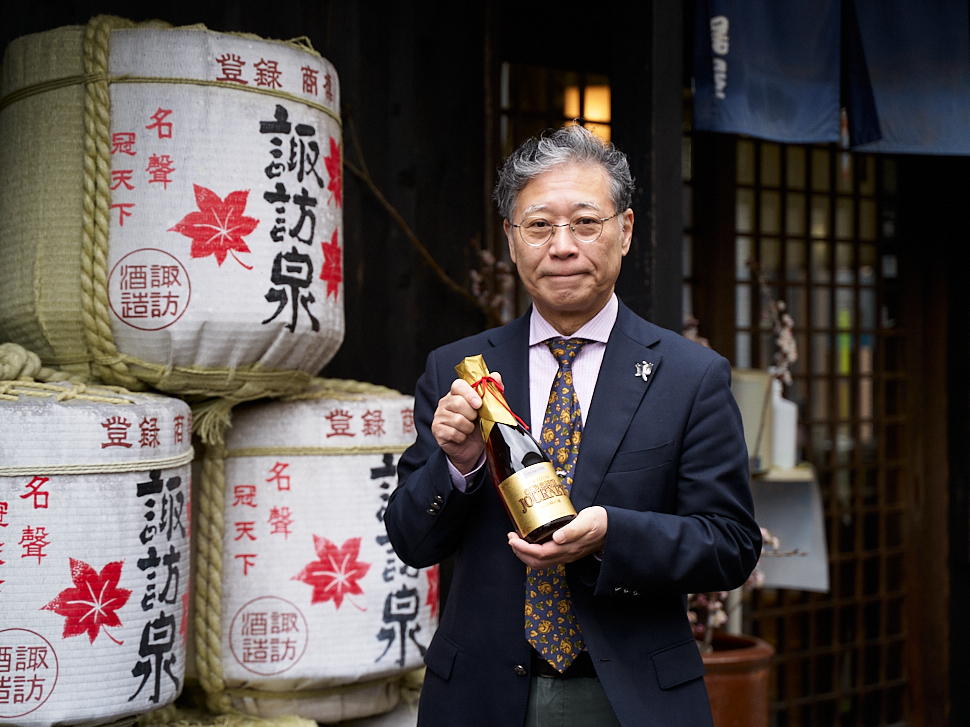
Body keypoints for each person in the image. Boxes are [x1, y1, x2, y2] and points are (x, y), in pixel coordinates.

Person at [384, 125, 761, 727]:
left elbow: (731, 545)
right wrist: (457, 465)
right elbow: (411, 541)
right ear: (511, 240)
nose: (562, 246)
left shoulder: (691, 375)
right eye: (539, 225)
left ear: (626, 230)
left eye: (585, 222)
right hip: (480, 696)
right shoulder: (460, 370)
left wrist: (614, 534)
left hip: (631, 699)